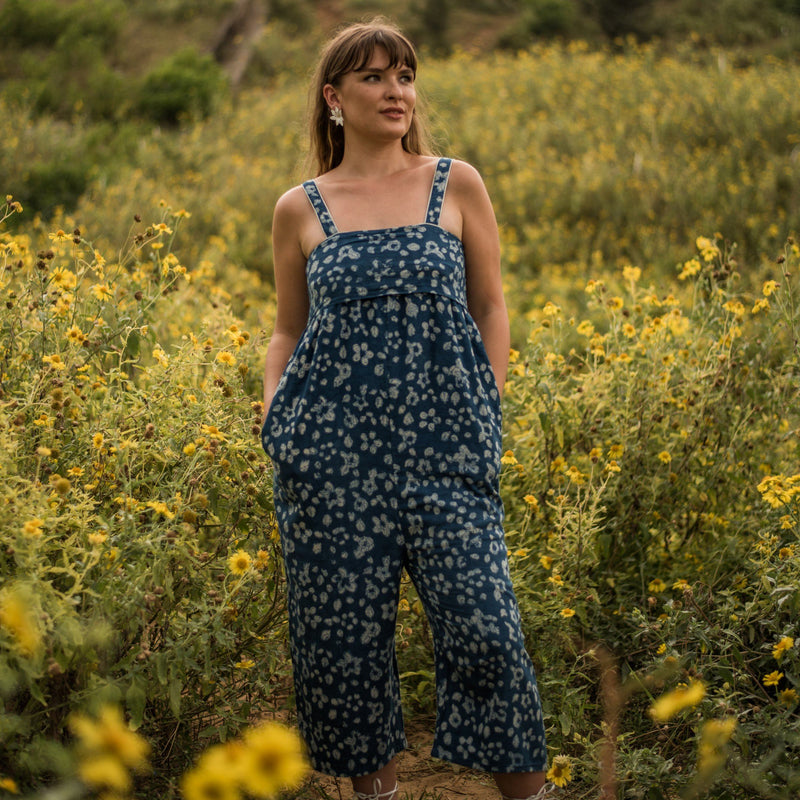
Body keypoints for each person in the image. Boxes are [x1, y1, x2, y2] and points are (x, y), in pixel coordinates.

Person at [261, 18, 553, 800]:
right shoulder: (300, 207)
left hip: (446, 452)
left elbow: (491, 307)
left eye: (405, 75)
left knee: (488, 633)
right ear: (334, 98)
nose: (396, 91)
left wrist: (482, 409)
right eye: (375, 77)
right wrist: (276, 415)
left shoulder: (455, 182)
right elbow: (287, 329)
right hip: (330, 460)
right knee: (344, 650)